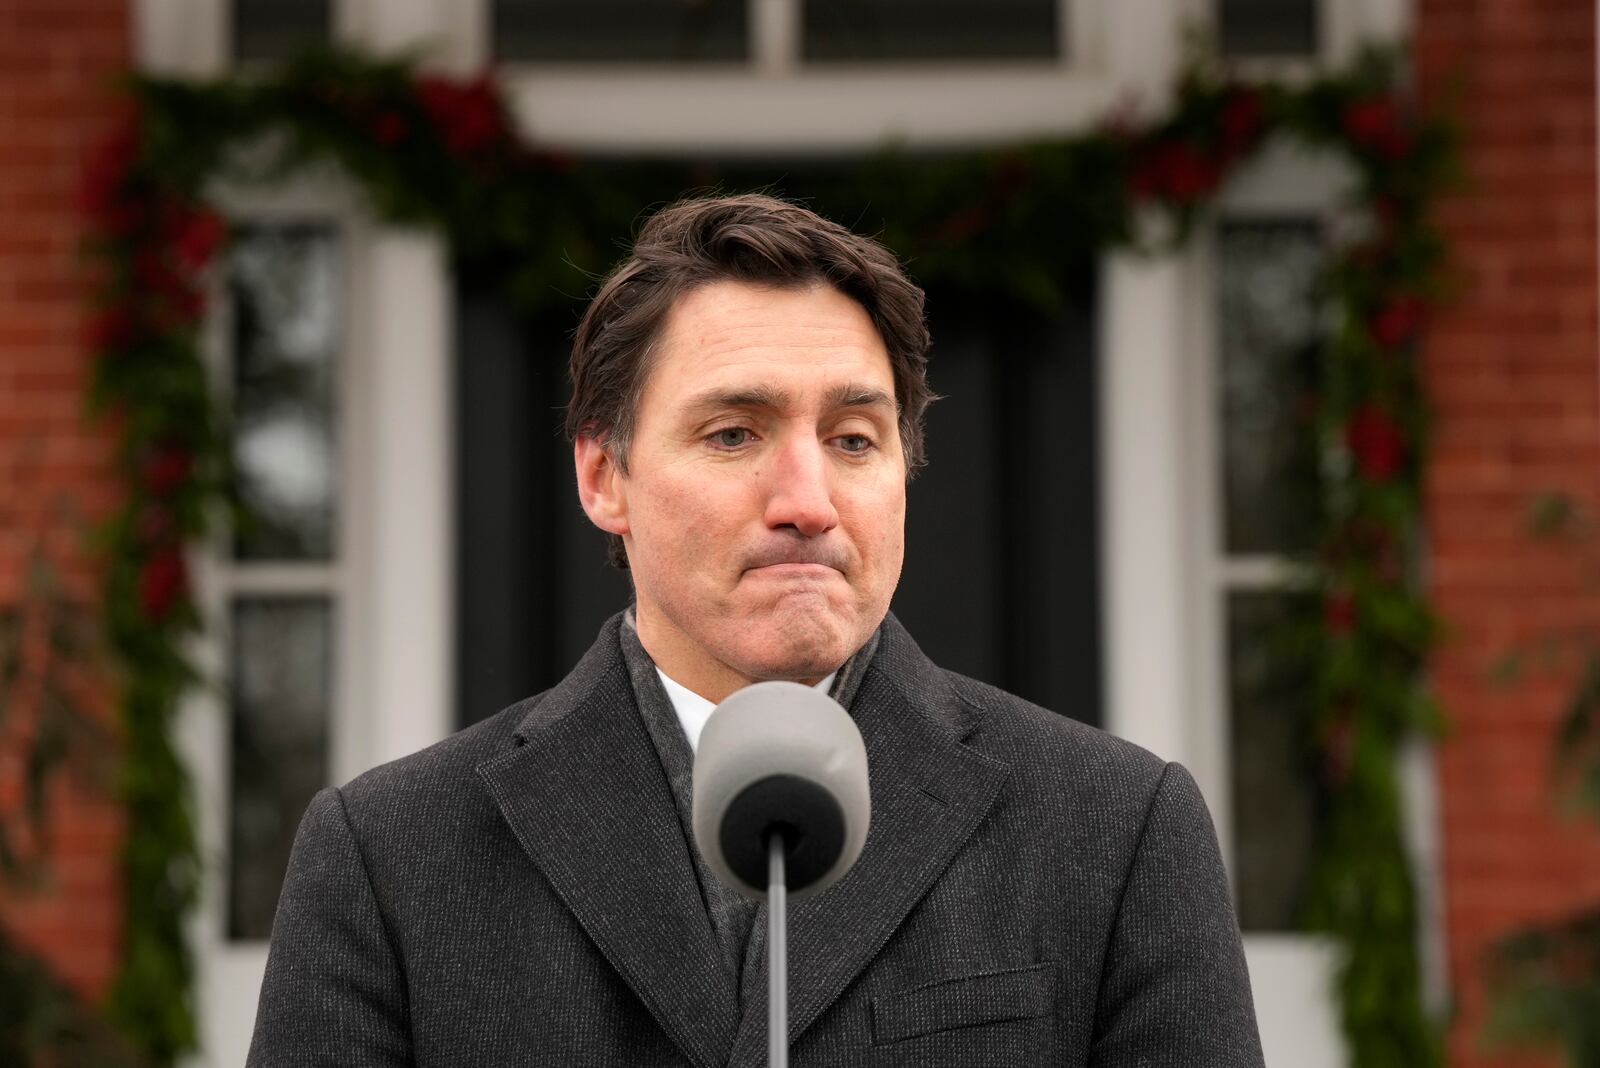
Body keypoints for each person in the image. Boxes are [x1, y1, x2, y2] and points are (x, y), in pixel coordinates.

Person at [248, 194, 1264, 1066]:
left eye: (852, 439)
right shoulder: (388, 859)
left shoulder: (1118, 831)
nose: (807, 500)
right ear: (605, 476)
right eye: (734, 433)